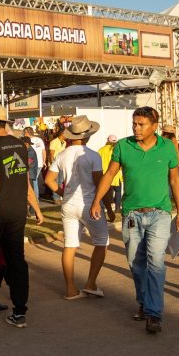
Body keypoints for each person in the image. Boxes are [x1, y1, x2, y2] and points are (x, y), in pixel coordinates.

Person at [90, 107, 179, 334]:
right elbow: (109, 175)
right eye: (134, 124)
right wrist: (97, 202)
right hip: (132, 214)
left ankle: (154, 314)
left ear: (155, 126)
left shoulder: (167, 148)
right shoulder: (123, 146)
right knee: (135, 262)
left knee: (156, 261)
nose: (136, 128)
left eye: (141, 124)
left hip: (160, 213)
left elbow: (175, 180)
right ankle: (144, 301)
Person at [0, 104, 43, 327]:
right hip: (17, 213)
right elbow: (25, 182)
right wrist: (36, 207)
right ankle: (20, 311)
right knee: (17, 260)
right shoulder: (20, 145)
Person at [47, 116, 107, 302]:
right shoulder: (93, 155)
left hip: (68, 204)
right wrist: (109, 208)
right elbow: (100, 184)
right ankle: (90, 283)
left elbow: (48, 180)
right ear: (87, 136)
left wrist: (62, 192)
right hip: (90, 204)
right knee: (100, 242)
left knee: (69, 246)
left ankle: (70, 289)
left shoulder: (62, 154)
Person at [96, 134, 121, 221]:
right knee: (118, 192)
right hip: (116, 175)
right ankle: (117, 209)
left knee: (107, 192)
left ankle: (108, 208)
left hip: (105, 175)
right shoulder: (116, 149)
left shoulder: (101, 150)